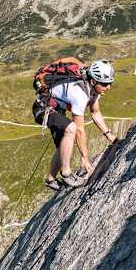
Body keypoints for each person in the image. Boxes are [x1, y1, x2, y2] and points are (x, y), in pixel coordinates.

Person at [42, 60, 117, 191]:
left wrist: (109, 134)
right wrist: (85, 157)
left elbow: (95, 112)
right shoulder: (80, 94)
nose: (109, 87)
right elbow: (80, 130)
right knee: (71, 129)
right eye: (105, 84)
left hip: (56, 107)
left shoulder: (93, 88)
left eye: (110, 83)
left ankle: (50, 180)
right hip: (43, 107)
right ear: (94, 81)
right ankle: (66, 173)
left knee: (63, 145)